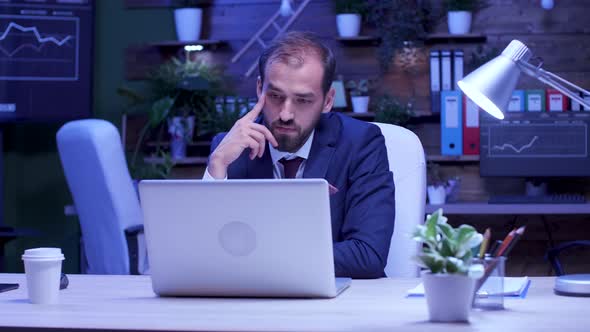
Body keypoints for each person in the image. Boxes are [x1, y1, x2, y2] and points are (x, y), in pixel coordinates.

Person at [203, 31, 395, 279]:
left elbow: (368, 255)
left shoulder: (361, 143)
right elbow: (207, 255)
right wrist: (216, 166)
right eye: (275, 96)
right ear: (260, 88)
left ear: (327, 101)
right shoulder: (230, 150)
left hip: (334, 303)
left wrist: (261, 257)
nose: (285, 114)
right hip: (250, 302)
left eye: (303, 100)